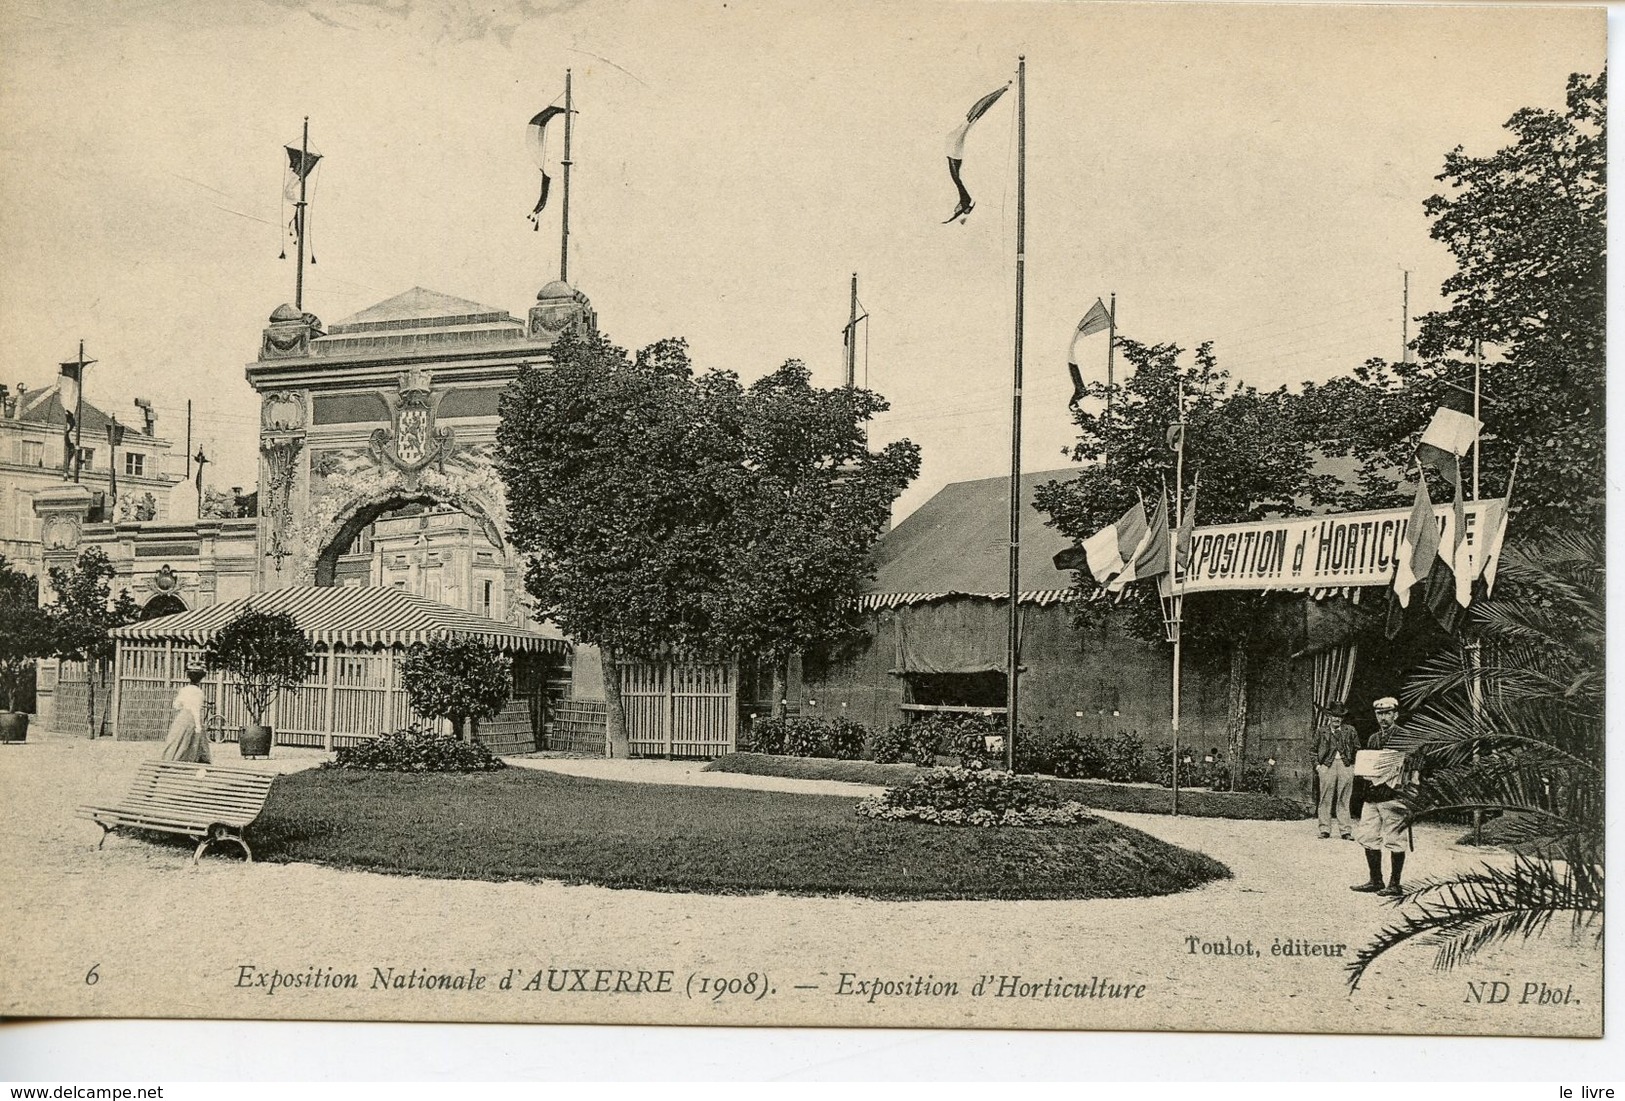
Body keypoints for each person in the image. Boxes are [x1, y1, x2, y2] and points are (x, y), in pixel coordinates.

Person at [1351, 696, 1415, 897]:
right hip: (1373, 795)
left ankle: (1395, 884)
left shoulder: (1405, 736)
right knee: (1369, 837)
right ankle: (1376, 880)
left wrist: (1411, 786)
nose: (1383, 717)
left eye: (1388, 713)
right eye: (1380, 713)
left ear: (1396, 714)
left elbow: (1416, 763)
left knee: (1395, 838)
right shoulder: (1373, 738)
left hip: (1393, 795)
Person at [1312, 701, 1359, 840]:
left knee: (1344, 798)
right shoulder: (1322, 731)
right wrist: (1318, 767)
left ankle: (1345, 831)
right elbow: (1313, 750)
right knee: (1325, 798)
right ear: (1329, 717)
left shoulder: (1350, 730)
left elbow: (1357, 748)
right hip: (1327, 766)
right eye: (1334, 716)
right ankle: (1324, 829)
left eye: (1339, 716)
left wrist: (1354, 765)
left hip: (1345, 765)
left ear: (1342, 718)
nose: (1337, 719)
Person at [160, 661, 211, 764]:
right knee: (194, 740)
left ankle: (172, 759)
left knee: (177, 740)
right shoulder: (198, 692)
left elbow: (176, 705)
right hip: (192, 718)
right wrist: (198, 726)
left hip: (182, 717)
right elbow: (196, 709)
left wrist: (184, 707)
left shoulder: (184, 690)